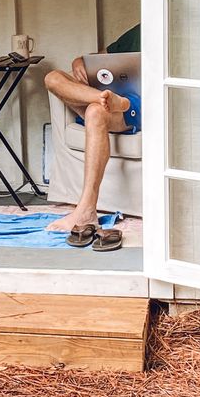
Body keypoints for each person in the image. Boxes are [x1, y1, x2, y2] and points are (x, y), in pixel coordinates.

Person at [43, 24, 141, 241]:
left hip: (136, 105)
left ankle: (86, 210)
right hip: (107, 98)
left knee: (96, 113)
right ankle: (104, 98)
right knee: (53, 78)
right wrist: (79, 61)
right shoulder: (138, 31)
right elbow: (101, 57)